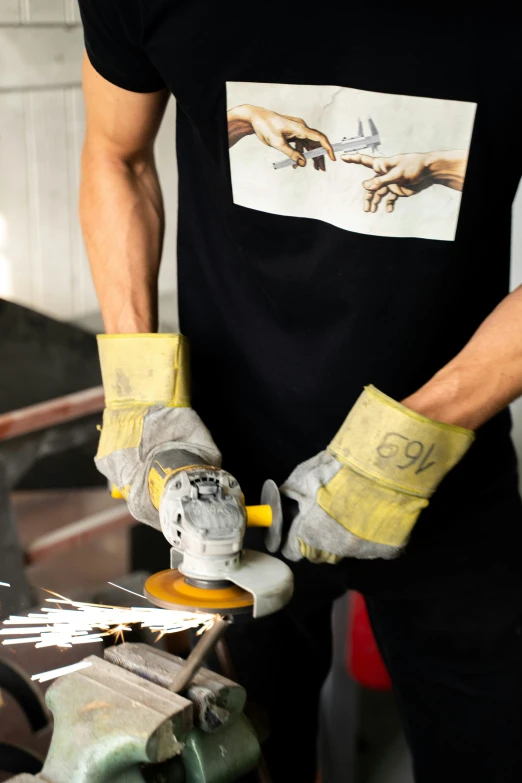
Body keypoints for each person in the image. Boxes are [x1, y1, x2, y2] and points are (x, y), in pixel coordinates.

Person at [78, 3, 522, 781]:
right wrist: (141, 400)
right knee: (241, 753)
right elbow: (118, 156)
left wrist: (407, 449)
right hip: (224, 480)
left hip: (449, 479)